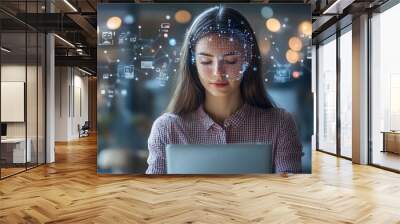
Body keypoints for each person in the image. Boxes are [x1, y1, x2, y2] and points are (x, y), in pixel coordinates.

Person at [146, 6, 302, 174]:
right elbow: (155, 195)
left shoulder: (279, 124)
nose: (218, 72)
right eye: (206, 61)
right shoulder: (168, 128)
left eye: (231, 61)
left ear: (247, 60)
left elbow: (288, 193)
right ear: (193, 64)